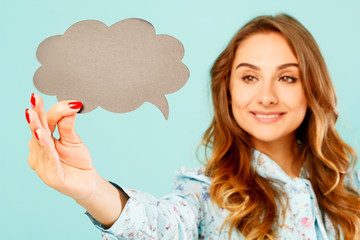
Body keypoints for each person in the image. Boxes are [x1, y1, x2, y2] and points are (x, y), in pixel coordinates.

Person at [26, 13, 360, 240]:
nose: (267, 96)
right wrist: (90, 189)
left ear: (313, 88)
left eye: (287, 77)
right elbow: (158, 226)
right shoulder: (204, 193)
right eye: (249, 77)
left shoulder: (348, 182)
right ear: (227, 90)